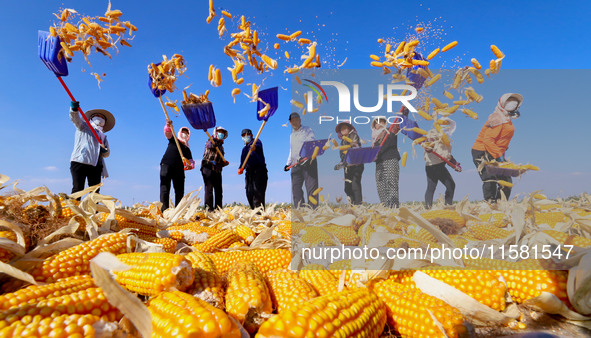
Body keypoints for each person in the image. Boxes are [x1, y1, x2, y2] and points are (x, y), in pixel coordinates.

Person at [472, 93, 523, 202]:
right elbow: (487, 140)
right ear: (502, 104)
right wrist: (499, 156)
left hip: (494, 151)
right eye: (509, 101)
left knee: (506, 182)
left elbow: (501, 137)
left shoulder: (506, 118)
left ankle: (500, 204)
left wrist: (503, 148)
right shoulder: (496, 118)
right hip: (482, 151)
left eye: (515, 101)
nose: (512, 103)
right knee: (490, 179)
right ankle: (490, 204)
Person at [68, 101, 114, 196]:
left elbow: (107, 153)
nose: (100, 118)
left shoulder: (103, 137)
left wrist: (104, 151)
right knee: (78, 188)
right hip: (80, 161)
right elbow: (75, 119)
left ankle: (94, 210)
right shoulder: (83, 126)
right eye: (97, 116)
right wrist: (74, 110)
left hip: (95, 165)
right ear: (91, 118)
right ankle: (74, 209)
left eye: (102, 117)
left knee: (95, 192)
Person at [422, 118, 461, 209]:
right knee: (432, 188)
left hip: (440, 165)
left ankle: (447, 205)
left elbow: (447, 155)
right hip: (432, 166)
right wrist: (428, 148)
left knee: (450, 185)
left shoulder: (445, 138)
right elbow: (427, 144)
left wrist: (455, 165)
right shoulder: (433, 134)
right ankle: (428, 208)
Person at [160, 120, 195, 212]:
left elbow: (191, 162)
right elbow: (168, 133)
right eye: (183, 132)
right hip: (166, 164)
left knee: (179, 191)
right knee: (165, 189)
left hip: (179, 169)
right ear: (180, 132)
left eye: (186, 133)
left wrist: (190, 166)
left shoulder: (187, 149)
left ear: (189, 136)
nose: (184, 134)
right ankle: (164, 210)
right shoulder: (174, 139)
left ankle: (178, 211)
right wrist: (168, 125)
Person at [284, 112, 318, 208]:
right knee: (296, 189)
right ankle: (300, 210)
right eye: (292, 121)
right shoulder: (291, 136)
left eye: (296, 120)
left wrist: (304, 155)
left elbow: (311, 143)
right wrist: (287, 163)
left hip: (308, 162)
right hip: (295, 164)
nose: (294, 122)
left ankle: (313, 211)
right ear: (290, 123)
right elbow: (292, 150)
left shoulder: (308, 130)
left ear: (300, 120)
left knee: (311, 188)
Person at [371, 116, 401, 208]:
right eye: (377, 122)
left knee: (390, 183)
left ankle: (393, 207)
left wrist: (404, 111)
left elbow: (397, 125)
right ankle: (385, 207)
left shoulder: (390, 130)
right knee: (381, 185)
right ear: (374, 126)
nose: (379, 123)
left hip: (390, 159)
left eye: (381, 121)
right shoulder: (374, 139)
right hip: (379, 163)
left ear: (385, 123)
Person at [334, 121, 364, 205]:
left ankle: (358, 205)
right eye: (341, 128)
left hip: (356, 165)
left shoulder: (354, 136)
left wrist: (353, 145)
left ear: (350, 128)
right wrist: (340, 164)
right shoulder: (342, 141)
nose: (343, 130)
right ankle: (351, 204)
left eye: (345, 127)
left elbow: (355, 147)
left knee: (355, 185)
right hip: (347, 166)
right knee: (347, 187)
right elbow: (343, 156)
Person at [201, 126, 229, 211]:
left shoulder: (221, 147)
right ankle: (208, 209)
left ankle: (218, 209)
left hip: (217, 170)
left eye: (223, 133)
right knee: (209, 189)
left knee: (219, 190)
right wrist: (214, 144)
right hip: (208, 167)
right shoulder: (210, 141)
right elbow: (209, 145)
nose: (221, 134)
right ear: (215, 133)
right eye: (220, 132)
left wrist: (224, 163)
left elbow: (219, 161)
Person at [240, 129, 268, 210]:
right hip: (249, 172)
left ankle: (259, 213)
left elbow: (258, 147)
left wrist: (254, 147)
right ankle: (253, 211)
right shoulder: (244, 149)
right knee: (249, 192)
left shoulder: (256, 141)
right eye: (243, 135)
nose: (245, 137)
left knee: (258, 192)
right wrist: (240, 168)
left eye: (247, 135)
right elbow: (242, 162)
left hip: (259, 171)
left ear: (251, 135)